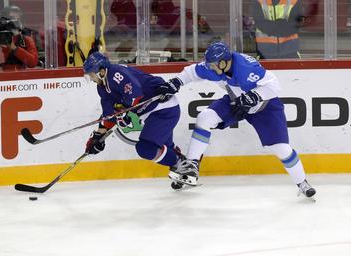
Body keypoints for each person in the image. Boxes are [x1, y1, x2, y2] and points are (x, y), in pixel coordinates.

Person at [159, 41, 316, 198]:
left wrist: (255, 95)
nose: (211, 68)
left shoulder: (246, 68)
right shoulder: (215, 66)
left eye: (213, 65)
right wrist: (177, 81)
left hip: (265, 107)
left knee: (281, 148)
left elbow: (273, 84)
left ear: (223, 62)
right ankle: (190, 167)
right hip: (236, 102)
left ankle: (302, 183)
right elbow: (192, 71)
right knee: (204, 118)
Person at [83, 52, 185, 188]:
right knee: (163, 148)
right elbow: (109, 115)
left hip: (163, 108)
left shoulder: (116, 73)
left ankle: (180, 164)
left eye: (92, 74)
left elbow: (134, 93)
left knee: (145, 148)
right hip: (151, 114)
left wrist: (124, 110)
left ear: (101, 71)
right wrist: (98, 137)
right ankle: (184, 166)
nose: (91, 78)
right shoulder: (102, 88)